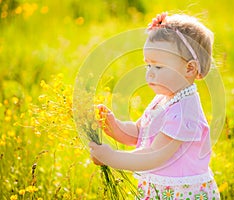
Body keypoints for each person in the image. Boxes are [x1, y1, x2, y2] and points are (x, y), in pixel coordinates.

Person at [89, 12, 220, 200]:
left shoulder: (184, 112)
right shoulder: (165, 98)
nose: (150, 74)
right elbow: (139, 133)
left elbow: (154, 155)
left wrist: (111, 157)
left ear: (189, 68)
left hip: (181, 194)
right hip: (161, 190)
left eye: (158, 67)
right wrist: (115, 126)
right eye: (147, 65)